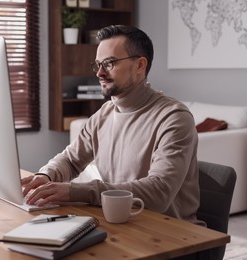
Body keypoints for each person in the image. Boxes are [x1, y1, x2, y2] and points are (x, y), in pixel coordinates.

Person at [22, 25, 203, 225]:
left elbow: (158, 193)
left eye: (109, 63)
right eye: (98, 64)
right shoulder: (104, 114)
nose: (99, 73)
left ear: (140, 65)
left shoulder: (174, 118)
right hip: (120, 224)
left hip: (171, 234)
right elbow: (71, 160)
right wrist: (46, 175)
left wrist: (75, 192)